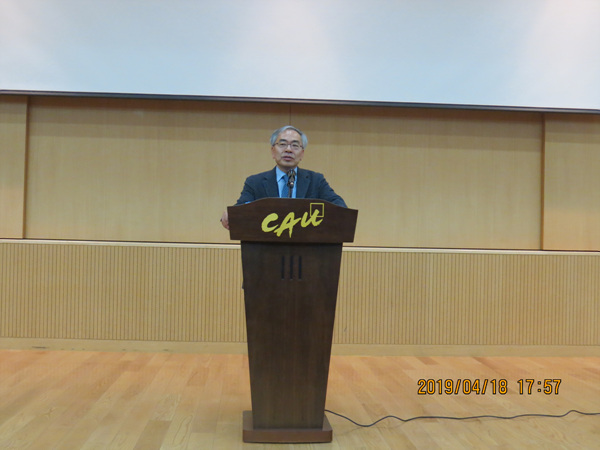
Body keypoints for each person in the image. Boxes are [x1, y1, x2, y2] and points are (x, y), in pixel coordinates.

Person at [220, 125, 346, 229]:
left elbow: (340, 207)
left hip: (306, 247)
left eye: (295, 145)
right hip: (266, 248)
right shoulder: (255, 182)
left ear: (302, 154)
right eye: (282, 144)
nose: (288, 150)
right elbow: (242, 207)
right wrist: (231, 213)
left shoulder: (316, 181)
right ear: (273, 151)